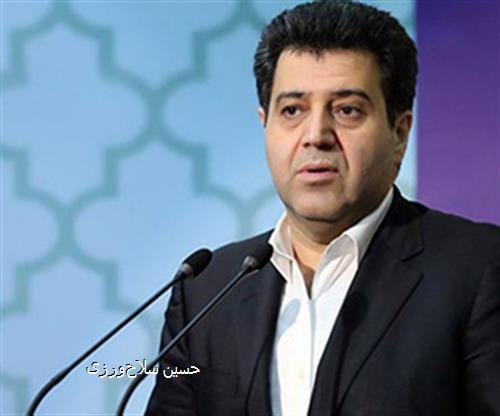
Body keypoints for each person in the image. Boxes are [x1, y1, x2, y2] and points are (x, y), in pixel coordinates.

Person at [146, 1, 500, 414]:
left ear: (399, 133)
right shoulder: (206, 290)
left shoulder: (478, 269)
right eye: (292, 110)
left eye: (347, 110)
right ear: (265, 125)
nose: (316, 135)